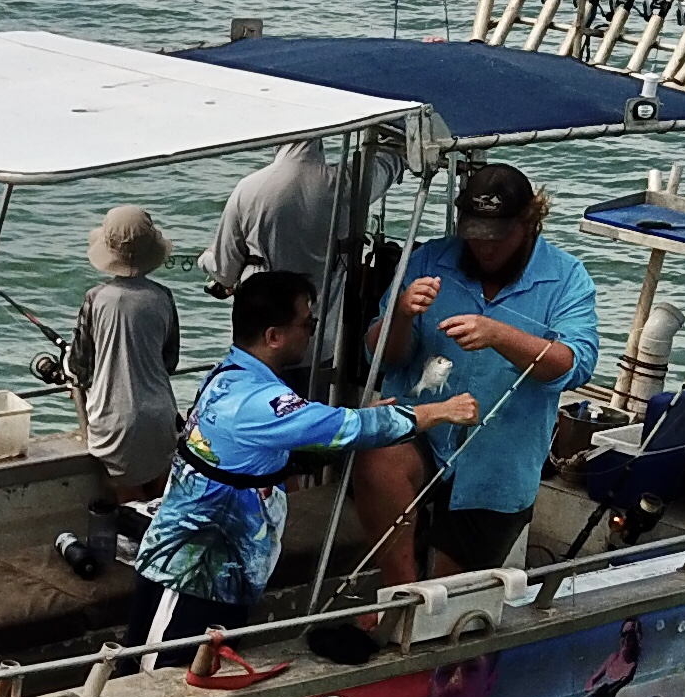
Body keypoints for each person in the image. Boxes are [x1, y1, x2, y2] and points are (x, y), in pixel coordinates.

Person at [126, 269, 477, 667]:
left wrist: (358, 421)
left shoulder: (232, 375)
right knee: (158, 675)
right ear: (274, 336)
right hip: (189, 576)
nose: (312, 331)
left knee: (204, 677)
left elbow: (285, 447)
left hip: (226, 576)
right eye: (308, 323)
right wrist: (440, 411)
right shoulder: (257, 402)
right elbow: (348, 428)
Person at [363, 159, 606, 586]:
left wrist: (499, 335)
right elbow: (384, 357)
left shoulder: (567, 278)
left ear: (530, 222)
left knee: (450, 585)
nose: (483, 248)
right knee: (378, 457)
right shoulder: (430, 258)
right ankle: (396, 593)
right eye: (474, 236)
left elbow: (575, 364)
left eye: (497, 237)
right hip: (422, 429)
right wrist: (400, 314)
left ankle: (423, 611)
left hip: (498, 461)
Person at [51, 203, 184, 495]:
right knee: (159, 508)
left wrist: (66, 367)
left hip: (115, 424)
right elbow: (169, 361)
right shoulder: (164, 296)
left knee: (127, 513)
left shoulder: (95, 298)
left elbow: (80, 368)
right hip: (161, 419)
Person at [201, 136, 341, 295]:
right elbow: (375, 165)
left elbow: (225, 272)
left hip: (264, 306)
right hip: (325, 309)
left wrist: (205, 259)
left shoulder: (247, 188)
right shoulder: (341, 183)